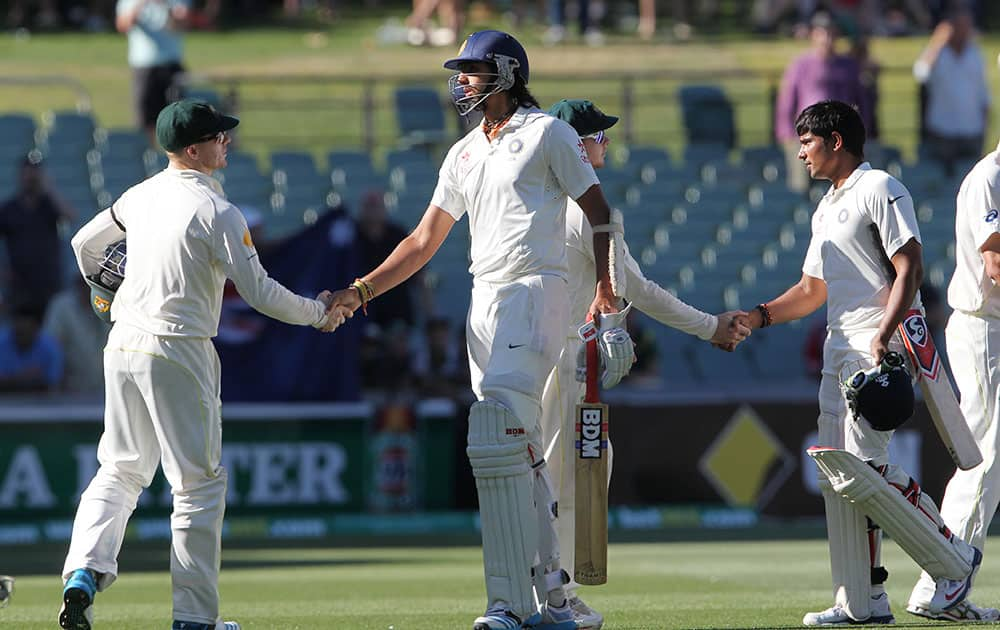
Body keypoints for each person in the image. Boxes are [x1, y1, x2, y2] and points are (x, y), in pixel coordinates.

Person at [327, 30, 618, 630]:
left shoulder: (547, 133)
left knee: (498, 439)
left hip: (536, 290)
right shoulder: (463, 152)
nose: (461, 81)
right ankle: (554, 598)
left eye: (472, 70)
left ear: (508, 73)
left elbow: (599, 212)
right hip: (484, 302)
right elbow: (423, 240)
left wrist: (606, 288)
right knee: (518, 451)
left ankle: (507, 604)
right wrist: (360, 290)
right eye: (458, 71)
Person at [58, 99, 348, 630]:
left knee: (120, 468)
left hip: (123, 342)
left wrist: (104, 289)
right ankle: (194, 619)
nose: (227, 143)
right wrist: (317, 314)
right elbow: (259, 292)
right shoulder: (218, 212)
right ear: (193, 149)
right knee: (197, 485)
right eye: (218, 137)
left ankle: (82, 570)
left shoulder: (139, 196)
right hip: (179, 348)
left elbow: (84, 244)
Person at [737, 100, 981, 625]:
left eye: (807, 141)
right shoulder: (825, 206)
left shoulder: (881, 188)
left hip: (877, 348)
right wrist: (756, 318)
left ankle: (955, 561)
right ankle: (861, 601)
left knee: (865, 470)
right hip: (837, 350)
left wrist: (886, 335)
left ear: (837, 140)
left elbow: (909, 265)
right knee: (838, 475)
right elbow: (810, 291)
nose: (800, 151)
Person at [539, 98, 750, 628]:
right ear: (578, 146)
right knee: (569, 474)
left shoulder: (538, 202)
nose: (605, 145)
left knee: (553, 470)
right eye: (598, 137)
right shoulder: (585, 209)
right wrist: (709, 326)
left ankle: (540, 589)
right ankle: (551, 594)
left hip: (534, 349)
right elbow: (638, 288)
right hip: (562, 355)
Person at [905, 133, 1000, 623]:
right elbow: (996, 263)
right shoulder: (991, 176)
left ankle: (944, 583)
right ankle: (943, 580)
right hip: (988, 327)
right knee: (985, 455)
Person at [774, 12, 867, 192]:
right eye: (822, 33)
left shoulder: (849, 66)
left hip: (842, 138)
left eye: (831, 33)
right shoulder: (800, 65)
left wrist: (862, 131)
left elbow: (861, 101)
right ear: (813, 35)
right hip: (807, 136)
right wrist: (786, 134)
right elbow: (786, 102)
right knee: (802, 185)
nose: (827, 39)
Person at [913, 6, 990, 176]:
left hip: (972, 131)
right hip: (943, 132)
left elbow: (982, 93)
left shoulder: (974, 54)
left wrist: (985, 127)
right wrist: (937, 42)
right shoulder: (939, 53)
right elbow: (921, 73)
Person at [0, 156, 77, 314]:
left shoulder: (49, 205)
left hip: (48, 281)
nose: (30, 179)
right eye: (27, 174)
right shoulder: (9, 208)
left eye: (34, 175)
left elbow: (70, 216)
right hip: (19, 283)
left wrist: (49, 189)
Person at [115, 0, 190, 145]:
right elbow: (123, 25)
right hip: (144, 66)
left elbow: (182, 26)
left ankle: (177, 163)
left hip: (172, 64)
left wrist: (168, 9)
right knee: (145, 121)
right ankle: (148, 159)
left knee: (179, 121)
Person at [43, 275, 112, 395]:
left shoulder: (111, 303)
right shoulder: (61, 306)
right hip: (70, 390)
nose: (88, 287)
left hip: (107, 389)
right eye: (86, 282)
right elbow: (51, 347)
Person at [0, 304, 63, 394]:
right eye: (18, 332)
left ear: (36, 328)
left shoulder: (51, 348)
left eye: (26, 331)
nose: (22, 336)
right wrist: (24, 377)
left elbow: (53, 384)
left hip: (42, 404)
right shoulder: (1, 343)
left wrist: (12, 379)